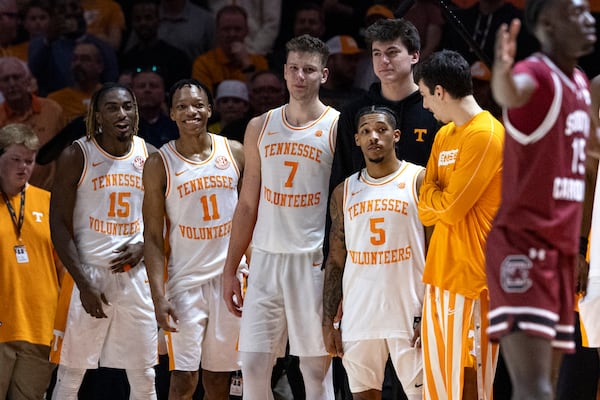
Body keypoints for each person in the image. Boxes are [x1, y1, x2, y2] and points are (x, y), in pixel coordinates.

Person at [487, 0, 596, 397]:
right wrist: (501, 72)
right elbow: (511, 91)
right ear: (548, 22)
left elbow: (589, 155)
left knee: (547, 387)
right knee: (533, 388)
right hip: (524, 246)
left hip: (562, 251)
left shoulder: (581, 84)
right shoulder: (534, 75)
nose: (589, 19)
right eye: (577, 13)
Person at [223, 34, 338, 400]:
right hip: (266, 259)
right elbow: (246, 205)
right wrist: (230, 269)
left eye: (309, 70)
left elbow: (342, 208)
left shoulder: (337, 127)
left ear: (324, 75)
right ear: (284, 72)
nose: (300, 77)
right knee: (253, 365)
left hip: (313, 261)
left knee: (315, 369)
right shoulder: (260, 125)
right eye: (293, 69)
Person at [49, 83, 158, 399]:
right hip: (90, 273)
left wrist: (143, 247)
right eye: (112, 107)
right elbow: (57, 224)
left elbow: (164, 218)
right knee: (71, 373)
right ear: (97, 116)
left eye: (127, 106)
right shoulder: (77, 154)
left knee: (144, 373)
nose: (121, 114)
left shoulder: (149, 153)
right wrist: (83, 283)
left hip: (135, 276)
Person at [142, 78, 244, 400]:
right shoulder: (159, 163)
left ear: (210, 109)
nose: (191, 111)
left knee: (218, 381)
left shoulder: (235, 152)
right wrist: (159, 295)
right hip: (185, 282)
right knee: (183, 380)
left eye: (198, 104)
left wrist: (252, 271)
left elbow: (252, 219)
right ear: (171, 113)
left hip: (229, 279)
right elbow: (153, 237)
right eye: (182, 106)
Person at [414, 49, 504, 400]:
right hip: (440, 274)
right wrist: (437, 199)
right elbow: (424, 209)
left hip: (475, 279)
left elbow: (447, 209)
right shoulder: (444, 135)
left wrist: (436, 198)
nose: (424, 106)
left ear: (440, 92)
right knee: (438, 389)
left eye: (423, 95)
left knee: (470, 384)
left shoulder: (487, 134)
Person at [322, 106, 427, 400]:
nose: (373, 137)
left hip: (411, 314)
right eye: (366, 131)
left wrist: (431, 310)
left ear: (395, 136)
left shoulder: (418, 180)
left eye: (381, 130)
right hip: (360, 315)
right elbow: (335, 259)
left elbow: (435, 251)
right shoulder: (344, 191)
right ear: (356, 139)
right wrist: (327, 321)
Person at [330, 18, 439, 195]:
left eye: (392, 52)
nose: (384, 60)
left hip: (420, 217)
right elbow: (340, 178)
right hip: (365, 217)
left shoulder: (436, 111)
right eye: (377, 53)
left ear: (415, 56)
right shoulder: (353, 112)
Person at [0, 123, 63, 400]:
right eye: (15, 159)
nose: (24, 167)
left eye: (29, 160)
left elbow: (63, 267)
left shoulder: (48, 202)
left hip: (40, 326)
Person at [27, 0, 119, 96]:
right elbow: (34, 72)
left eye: (74, 6)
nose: (68, 11)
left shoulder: (99, 45)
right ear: (53, 12)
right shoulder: (41, 44)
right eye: (62, 8)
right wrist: (49, 40)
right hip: (56, 103)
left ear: (82, 10)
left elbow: (111, 78)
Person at [0, 57, 65, 190]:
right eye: (5, 80)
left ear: (28, 81)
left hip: (51, 195)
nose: (12, 84)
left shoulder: (52, 110)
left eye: (16, 77)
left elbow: (68, 150)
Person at [192, 4, 269, 94]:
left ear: (247, 31)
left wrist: (247, 64)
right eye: (226, 29)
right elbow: (203, 101)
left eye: (237, 29)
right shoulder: (203, 64)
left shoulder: (260, 62)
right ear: (217, 31)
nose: (232, 34)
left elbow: (259, 98)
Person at [120, 0, 191, 90]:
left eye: (148, 18)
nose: (143, 23)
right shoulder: (127, 59)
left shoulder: (177, 58)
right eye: (138, 19)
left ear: (159, 20)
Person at [47, 41, 104, 124]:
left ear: (99, 66)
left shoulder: (111, 96)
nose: (78, 63)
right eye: (74, 59)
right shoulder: (55, 101)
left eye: (85, 59)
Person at [131, 67, 178, 148]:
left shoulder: (176, 127)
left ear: (164, 93)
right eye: (141, 86)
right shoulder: (125, 127)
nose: (147, 90)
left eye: (153, 86)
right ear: (131, 92)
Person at [320, 35, 366, 110]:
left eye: (356, 59)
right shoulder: (311, 96)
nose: (354, 64)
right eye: (348, 58)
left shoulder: (362, 98)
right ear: (330, 60)